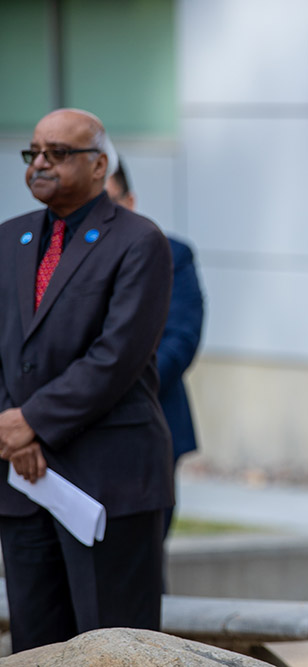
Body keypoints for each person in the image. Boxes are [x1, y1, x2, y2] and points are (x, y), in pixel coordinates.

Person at [0, 109, 173, 652]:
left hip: (107, 481)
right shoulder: (9, 238)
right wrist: (12, 429)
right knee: (35, 649)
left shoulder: (139, 241)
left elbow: (116, 357)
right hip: (23, 480)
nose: (40, 163)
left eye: (58, 153)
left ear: (100, 165)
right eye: (33, 153)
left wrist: (31, 421)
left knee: (112, 648)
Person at [106, 160, 204, 539]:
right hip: (69, 436)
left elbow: (179, 341)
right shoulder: (52, 256)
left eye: (108, 202)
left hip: (148, 424)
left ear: (129, 201)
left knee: (142, 555)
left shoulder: (170, 254)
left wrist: (106, 392)